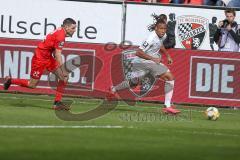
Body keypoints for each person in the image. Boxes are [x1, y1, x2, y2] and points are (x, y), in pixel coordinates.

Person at [108, 17, 181, 114]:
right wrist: (153, 58)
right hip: (142, 61)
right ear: (156, 28)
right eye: (161, 29)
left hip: (146, 62)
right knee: (170, 77)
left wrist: (167, 55)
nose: (163, 31)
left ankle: (114, 89)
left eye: (164, 29)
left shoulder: (162, 36)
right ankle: (167, 106)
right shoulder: (150, 38)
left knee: (135, 82)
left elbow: (160, 45)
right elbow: (138, 52)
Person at [3, 18, 77, 110]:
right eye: (73, 28)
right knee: (32, 85)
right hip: (39, 59)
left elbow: (54, 51)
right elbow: (58, 55)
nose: (75, 30)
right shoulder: (60, 36)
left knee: (64, 78)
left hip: (48, 58)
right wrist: (63, 69)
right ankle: (11, 80)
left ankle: (57, 103)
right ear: (66, 27)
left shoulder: (60, 32)